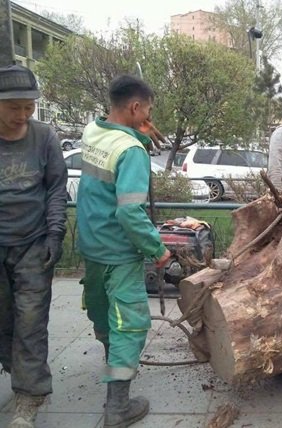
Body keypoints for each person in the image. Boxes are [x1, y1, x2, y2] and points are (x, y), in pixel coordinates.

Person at [77, 75, 171, 428]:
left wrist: (138, 133)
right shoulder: (131, 152)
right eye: (147, 110)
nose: (149, 116)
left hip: (91, 244)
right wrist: (157, 248)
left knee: (103, 313)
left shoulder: (93, 132)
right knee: (129, 326)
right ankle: (118, 406)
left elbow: (112, 157)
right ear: (135, 107)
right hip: (119, 251)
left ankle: (111, 362)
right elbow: (130, 212)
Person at [0, 65, 68, 427]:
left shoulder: (44, 138)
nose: (22, 115)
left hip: (33, 243)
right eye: (14, 107)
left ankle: (29, 395)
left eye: (29, 107)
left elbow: (56, 188)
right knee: (4, 318)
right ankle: (15, 367)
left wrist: (55, 234)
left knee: (30, 320)